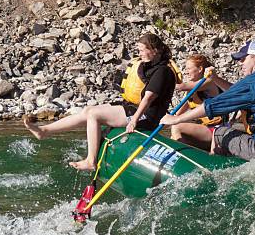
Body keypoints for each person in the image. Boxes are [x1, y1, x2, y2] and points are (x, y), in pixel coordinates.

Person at [24, 33, 179, 170]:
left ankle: (91, 161)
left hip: (148, 116)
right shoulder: (153, 66)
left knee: (94, 115)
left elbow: (148, 99)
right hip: (137, 108)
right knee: (87, 110)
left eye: (141, 50)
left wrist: (134, 121)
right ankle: (44, 131)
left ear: (153, 49)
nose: (139, 54)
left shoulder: (162, 71)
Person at [161, 40, 255, 160]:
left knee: (219, 133)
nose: (240, 63)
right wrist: (215, 79)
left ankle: (212, 168)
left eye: (243, 59)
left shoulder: (254, 83)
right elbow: (240, 93)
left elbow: (213, 106)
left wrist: (175, 120)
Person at [170, 54, 224, 150]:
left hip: (217, 130)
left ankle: (181, 156)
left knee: (177, 127)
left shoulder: (209, 82)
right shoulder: (191, 89)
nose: (186, 72)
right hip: (205, 129)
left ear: (200, 69)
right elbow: (179, 112)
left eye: (189, 69)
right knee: (174, 129)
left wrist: (162, 82)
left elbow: (181, 87)